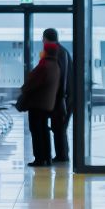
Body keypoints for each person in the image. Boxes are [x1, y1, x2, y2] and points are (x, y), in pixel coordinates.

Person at [15, 42, 63, 168]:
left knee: (36, 131)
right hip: (47, 104)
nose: (42, 52)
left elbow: (31, 83)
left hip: (37, 104)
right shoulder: (56, 65)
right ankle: (47, 157)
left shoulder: (44, 66)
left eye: (44, 50)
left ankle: (39, 158)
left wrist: (24, 89)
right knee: (44, 130)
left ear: (47, 52)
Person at [43, 28, 73, 164]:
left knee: (59, 127)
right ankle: (62, 154)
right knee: (59, 127)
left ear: (46, 39)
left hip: (62, 97)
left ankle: (62, 155)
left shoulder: (58, 52)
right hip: (63, 96)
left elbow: (62, 77)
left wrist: (61, 97)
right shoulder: (62, 51)